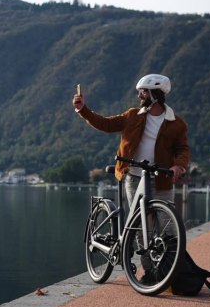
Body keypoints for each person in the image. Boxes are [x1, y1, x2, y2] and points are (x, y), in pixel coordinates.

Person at [72, 74, 190, 208]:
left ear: (155, 94)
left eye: (144, 91)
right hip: (135, 178)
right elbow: (106, 124)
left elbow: (183, 149)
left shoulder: (176, 123)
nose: (139, 95)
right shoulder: (132, 115)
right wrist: (83, 109)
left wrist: (178, 165)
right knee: (139, 222)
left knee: (167, 225)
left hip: (162, 180)